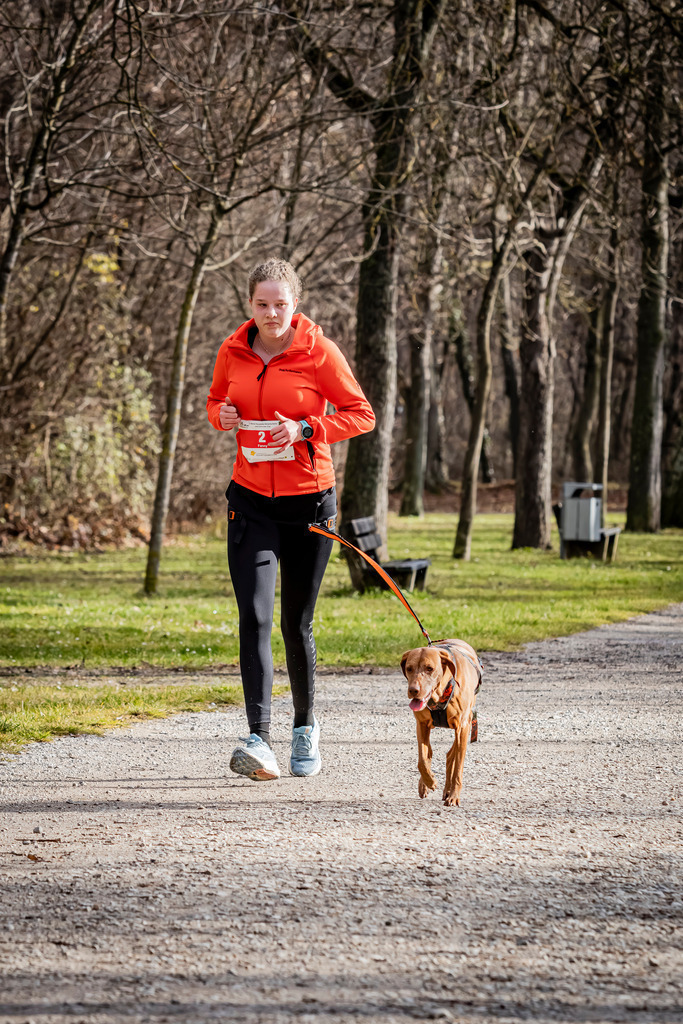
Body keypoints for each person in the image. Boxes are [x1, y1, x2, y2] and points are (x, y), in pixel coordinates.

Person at [206, 257, 375, 782]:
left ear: (295, 303)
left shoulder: (318, 351)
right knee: (253, 618)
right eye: (262, 304)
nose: (272, 313)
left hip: (309, 503)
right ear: (249, 304)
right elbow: (215, 403)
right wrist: (223, 416)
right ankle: (258, 738)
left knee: (294, 621)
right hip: (251, 501)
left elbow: (361, 414)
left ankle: (305, 726)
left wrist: (305, 429)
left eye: (281, 304)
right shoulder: (232, 351)